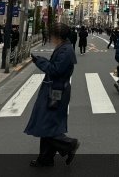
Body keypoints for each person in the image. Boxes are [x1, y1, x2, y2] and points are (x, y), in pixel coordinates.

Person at [25, 23, 79, 167]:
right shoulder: (64, 47)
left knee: (47, 123)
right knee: (47, 123)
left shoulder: (66, 50)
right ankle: (46, 158)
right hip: (55, 89)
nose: (50, 38)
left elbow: (56, 70)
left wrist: (40, 61)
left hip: (56, 91)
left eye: (52, 35)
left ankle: (69, 144)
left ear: (58, 36)